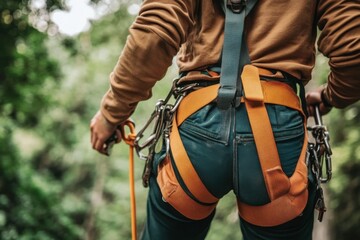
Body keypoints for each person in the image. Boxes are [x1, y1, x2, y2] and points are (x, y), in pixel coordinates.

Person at [90, 0, 360, 239]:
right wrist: (328, 98)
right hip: (277, 133)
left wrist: (111, 113)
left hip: (196, 130)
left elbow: (154, 34)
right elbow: (353, 51)